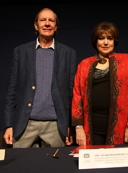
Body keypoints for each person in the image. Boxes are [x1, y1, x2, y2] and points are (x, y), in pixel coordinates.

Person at [3, 8, 76, 148]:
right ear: (36, 25)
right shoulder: (20, 52)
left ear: (56, 26)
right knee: (21, 167)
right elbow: (11, 90)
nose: (47, 24)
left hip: (56, 126)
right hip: (24, 126)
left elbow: (70, 93)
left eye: (51, 20)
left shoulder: (68, 53)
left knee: (55, 168)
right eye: (43, 20)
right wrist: (9, 125)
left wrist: (69, 125)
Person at [72, 21, 128, 145]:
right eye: (101, 38)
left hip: (121, 128)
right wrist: (78, 128)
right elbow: (77, 97)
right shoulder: (84, 65)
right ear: (95, 41)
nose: (105, 42)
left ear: (114, 41)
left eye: (109, 38)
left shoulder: (127, 60)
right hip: (92, 129)